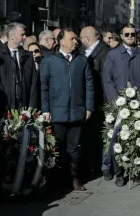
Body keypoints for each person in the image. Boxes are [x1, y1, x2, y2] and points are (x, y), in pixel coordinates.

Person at [102, 23, 140, 186]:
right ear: (121, 36)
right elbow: (107, 79)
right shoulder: (113, 55)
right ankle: (120, 172)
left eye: (133, 34)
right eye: (127, 34)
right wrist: (116, 101)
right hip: (119, 105)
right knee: (118, 138)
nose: (130, 37)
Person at [41, 29, 94, 192]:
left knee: (73, 148)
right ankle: (56, 180)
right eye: (72, 38)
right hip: (57, 113)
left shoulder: (81, 60)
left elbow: (89, 84)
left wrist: (88, 106)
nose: (75, 41)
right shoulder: (49, 61)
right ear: (61, 41)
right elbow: (43, 87)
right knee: (57, 147)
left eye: (76, 39)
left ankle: (73, 178)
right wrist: (45, 110)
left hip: (77, 111)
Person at [0, 23, 39, 126]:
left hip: (24, 107)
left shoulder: (28, 57)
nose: (25, 37)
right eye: (22, 34)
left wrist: (31, 108)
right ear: (11, 36)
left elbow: (34, 83)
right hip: (4, 108)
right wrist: (3, 105)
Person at [79, 26, 111, 177]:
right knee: (91, 135)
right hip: (88, 101)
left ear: (87, 38)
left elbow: (105, 79)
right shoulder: (83, 51)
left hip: (99, 101)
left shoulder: (104, 51)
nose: (79, 41)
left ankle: (103, 167)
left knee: (100, 135)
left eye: (80, 38)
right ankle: (92, 165)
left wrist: (104, 102)